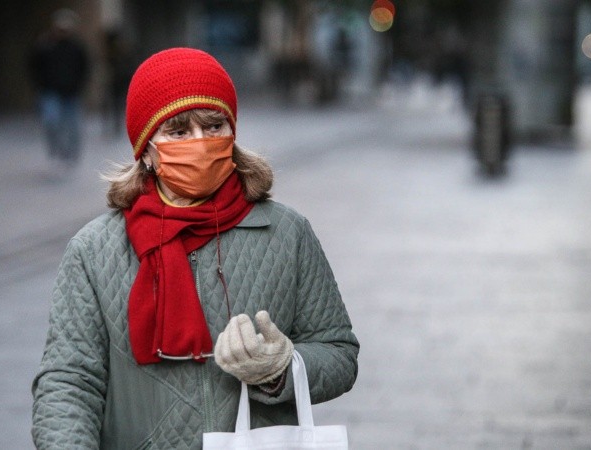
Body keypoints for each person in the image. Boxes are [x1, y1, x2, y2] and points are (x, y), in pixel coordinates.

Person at [31, 47, 359, 449]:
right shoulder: (94, 250)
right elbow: (69, 381)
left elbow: (339, 352)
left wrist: (281, 369)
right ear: (147, 149)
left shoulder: (286, 232)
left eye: (214, 125)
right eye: (179, 131)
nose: (201, 143)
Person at [29, 9, 89, 175]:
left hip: (71, 93)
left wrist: (78, 85)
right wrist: (40, 85)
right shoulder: (45, 45)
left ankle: (70, 155)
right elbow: (34, 65)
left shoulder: (77, 47)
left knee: (73, 126)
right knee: (51, 121)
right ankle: (56, 151)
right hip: (50, 91)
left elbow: (85, 67)